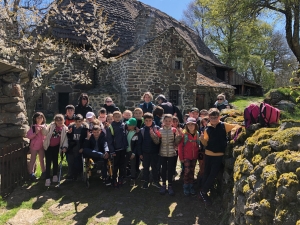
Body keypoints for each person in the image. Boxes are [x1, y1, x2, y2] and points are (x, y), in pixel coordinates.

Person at [199, 108, 241, 205]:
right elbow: (206, 142)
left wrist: (233, 131)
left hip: (218, 155)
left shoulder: (223, 125)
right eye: (212, 117)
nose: (214, 119)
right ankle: (203, 191)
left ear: (219, 117)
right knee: (206, 173)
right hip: (208, 154)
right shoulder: (207, 129)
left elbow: (237, 125)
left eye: (215, 117)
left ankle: (203, 192)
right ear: (209, 117)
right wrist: (202, 139)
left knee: (213, 174)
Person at [151, 114, 182, 196]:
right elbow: (157, 142)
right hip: (162, 153)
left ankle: (170, 185)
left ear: (172, 122)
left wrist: (179, 136)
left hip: (172, 153)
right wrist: (153, 135)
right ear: (163, 121)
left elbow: (176, 142)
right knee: (163, 169)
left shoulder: (174, 130)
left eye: (170, 121)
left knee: (171, 169)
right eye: (166, 121)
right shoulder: (160, 131)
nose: (168, 122)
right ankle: (164, 184)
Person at [42, 114, 68, 187]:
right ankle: (47, 178)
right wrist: (43, 127)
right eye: (58, 121)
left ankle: (55, 175)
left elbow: (65, 139)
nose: (60, 123)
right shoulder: (51, 126)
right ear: (55, 121)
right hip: (48, 146)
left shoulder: (65, 128)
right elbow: (45, 132)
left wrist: (65, 147)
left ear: (63, 121)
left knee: (55, 161)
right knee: (48, 162)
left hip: (56, 147)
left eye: (61, 121)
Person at [137, 112, 161, 190]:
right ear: (144, 121)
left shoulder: (157, 128)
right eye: (146, 120)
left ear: (152, 120)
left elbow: (159, 141)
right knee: (146, 167)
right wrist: (140, 153)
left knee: (155, 167)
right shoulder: (142, 130)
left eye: (149, 120)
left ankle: (155, 180)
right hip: (145, 152)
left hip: (155, 152)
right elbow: (139, 143)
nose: (148, 122)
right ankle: (146, 181)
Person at [178, 117, 200, 196]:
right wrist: (181, 158)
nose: (191, 126)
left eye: (192, 124)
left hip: (194, 157)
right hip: (186, 157)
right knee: (186, 171)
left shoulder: (197, 134)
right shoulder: (184, 135)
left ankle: (191, 186)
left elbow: (198, 145)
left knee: (192, 171)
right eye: (189, 125)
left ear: (195, 125)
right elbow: (180, 147)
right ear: (186, 126)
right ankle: (186, 186)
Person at [106, 111, 128, 187]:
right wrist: (112, 151)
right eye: (116, 117)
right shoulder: (110, 127)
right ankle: (114, 178)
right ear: (113, 118)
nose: (117, 118)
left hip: (123, 148)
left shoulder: (124, 125)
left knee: (122, 165)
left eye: (119, 117)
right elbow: (109, 140)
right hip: (115, 150)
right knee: (115, 165)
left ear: (121, 117)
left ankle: (121, 177)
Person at [66, 114, 88, 181]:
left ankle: (79, 174)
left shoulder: (84, 129)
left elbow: (85, 140)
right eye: (77, 121)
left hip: (79, 147)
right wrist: (69, 133)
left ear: (82, 121)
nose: (78, 123)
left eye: (80, 121)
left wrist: (83, 148)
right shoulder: (71, 127)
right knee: (70, 161)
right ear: (74, 121)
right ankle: (70, 174)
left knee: (79, 161)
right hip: (72, 147)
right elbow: (68, 138)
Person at [26, 112, 47, 181]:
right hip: (34, 146)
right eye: (38, 118)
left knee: (42, 159)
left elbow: (47, 135)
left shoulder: (45, 126)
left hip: (41, 146)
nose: (40, 119)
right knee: (33, 159)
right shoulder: (33, 127)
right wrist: (35, 133)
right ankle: (31, 174)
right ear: (35, 119)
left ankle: (44, 172)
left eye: (41, 117)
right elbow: (28, 136)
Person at [125, 118, 139, 186]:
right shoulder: (127, 131)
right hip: (126, 151)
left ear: (133, 126)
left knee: (133, 166)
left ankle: (133, 179)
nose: (128, 126)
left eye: (129, 125)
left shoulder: (136, 134)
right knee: (125, 164)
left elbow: (137, 145)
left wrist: (134, 153)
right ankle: (125, 177)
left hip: (132, 152)